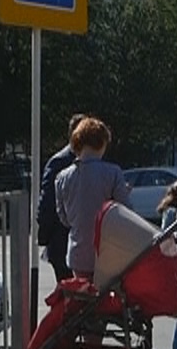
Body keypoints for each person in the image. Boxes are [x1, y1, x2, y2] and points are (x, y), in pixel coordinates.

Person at [53, 116, 130, 284]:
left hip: (78, 253)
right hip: (108, 253)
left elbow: (64, 219)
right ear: (102, 143)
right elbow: (125, 213)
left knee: (83, 301)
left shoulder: (61, 178)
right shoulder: (113, 173)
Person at [38, 113, 89, 283]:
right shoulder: (59, 162)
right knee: (71, 295)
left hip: (76, 243)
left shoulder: (89, 161)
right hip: (63, 242)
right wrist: (45, 237)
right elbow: (48, 204)